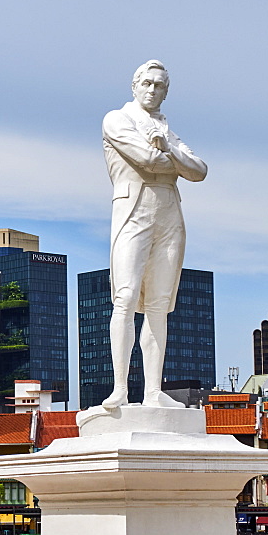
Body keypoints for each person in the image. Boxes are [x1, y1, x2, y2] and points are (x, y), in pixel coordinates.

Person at [101, 60, 207, 411]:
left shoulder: (167, 130)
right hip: (133, 211)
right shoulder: (117, 119)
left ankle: (152, 391)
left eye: (159, 85)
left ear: (166, 91)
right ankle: (119, 388)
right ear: (134, 86)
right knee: (126, 297)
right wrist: (172, 159)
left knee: (159, 305)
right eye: (146, 83)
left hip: (169, 215)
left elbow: (200, 171)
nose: (152, 90)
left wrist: (170, 149)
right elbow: (147, 160)